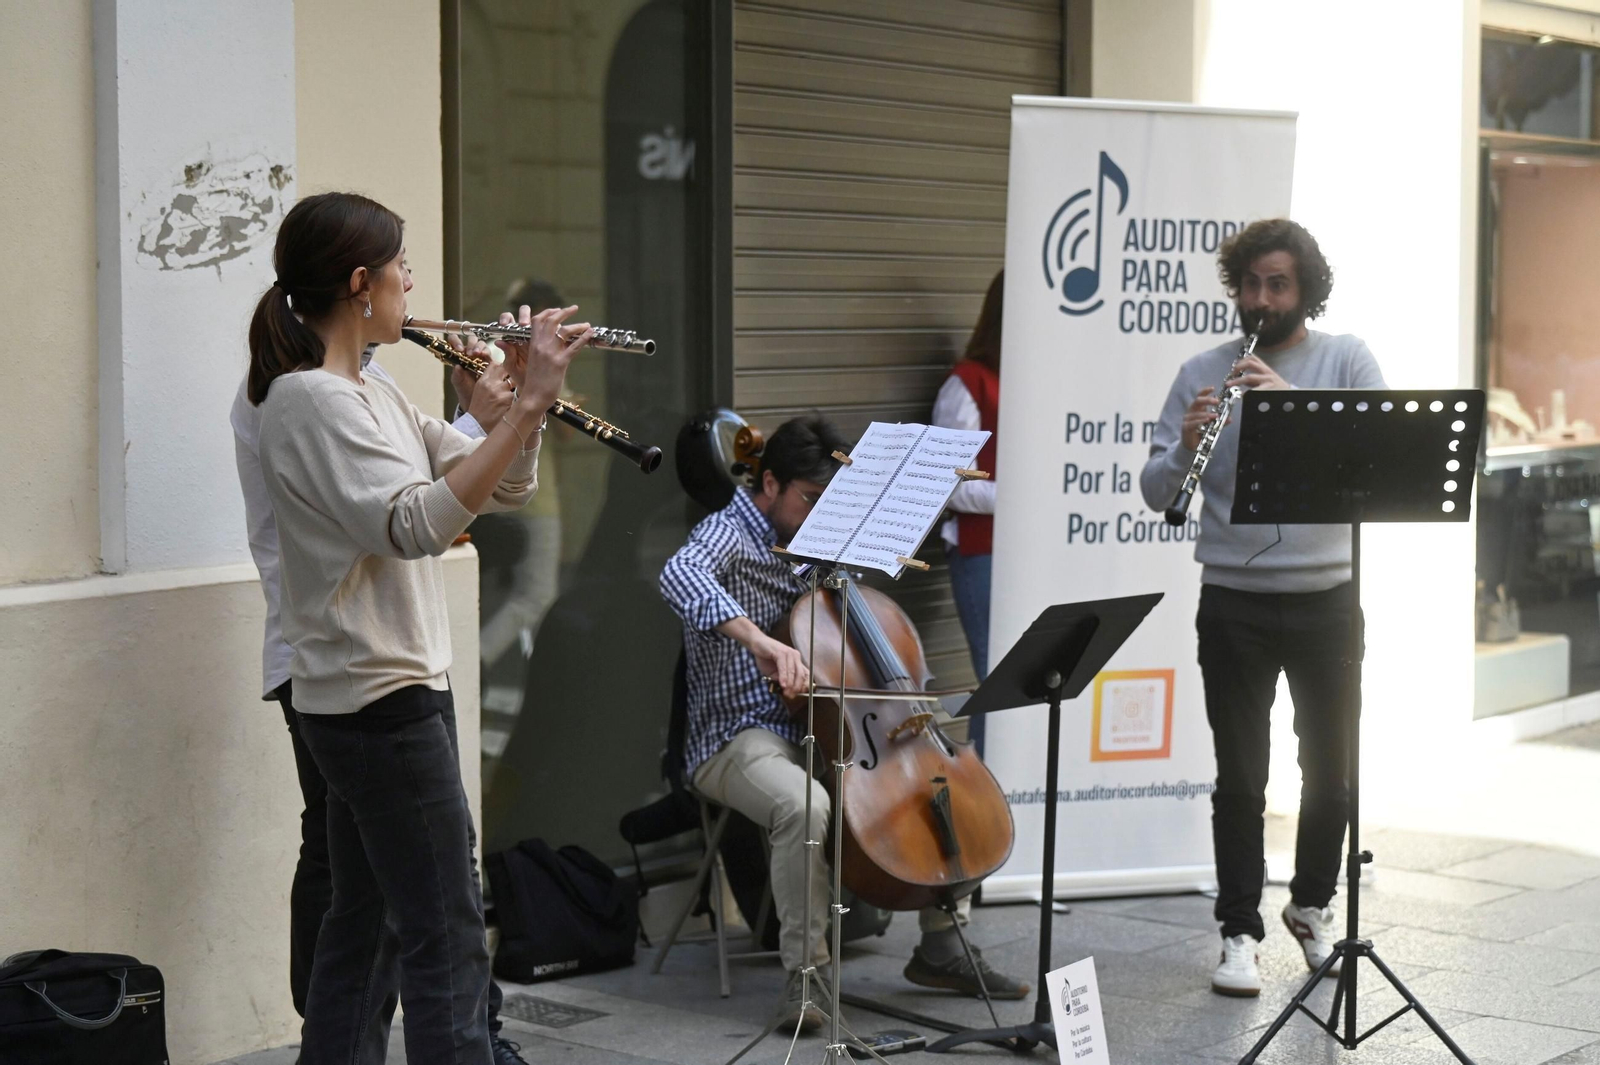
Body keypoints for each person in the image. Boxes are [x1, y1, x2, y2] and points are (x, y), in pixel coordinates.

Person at [245, 190, 588, 1064]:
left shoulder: (372, 390)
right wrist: (521, 408)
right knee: (447, 937)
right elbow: (414, 525)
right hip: (377, 702)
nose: (413, 282)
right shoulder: (309, 401)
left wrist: (514, 413)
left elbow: (500, 487)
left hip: (389, 695)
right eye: (402, 266)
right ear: (362, 284)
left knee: (366, 927)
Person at [659, 416, 1029, 1033]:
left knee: (941, 781)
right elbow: (679, 573)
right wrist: (761, 642)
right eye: (810, 500)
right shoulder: (727, 531)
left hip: (834, 728)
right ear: (770, 484)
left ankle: (942, 948)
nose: (820, 516)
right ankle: (807, 980)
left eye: (831, 502)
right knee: (804, 805)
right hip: (739, 734)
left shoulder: (821, 538)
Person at [1139, 219, 1386, 998]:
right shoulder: (1202, 371)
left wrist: (1295, 405)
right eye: (1250, 284)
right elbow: (1155, 490)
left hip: (1327, 597)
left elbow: (1380, 461)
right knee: (1241, 776)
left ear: (1305, 289)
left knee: (1332, 771)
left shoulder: (1346, 359)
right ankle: (1238, 930)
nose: (1261, 298)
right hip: (1234, 601)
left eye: (1278, 284)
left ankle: (1310, 905)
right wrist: (1185, 447)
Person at [931, 268, 1003, 751]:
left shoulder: (1043, 379)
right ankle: (986, 788)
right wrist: (1024, 499)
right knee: (999, 687)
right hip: (983, 555)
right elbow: (950, 487)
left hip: (1035, 554)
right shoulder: (967, 383)